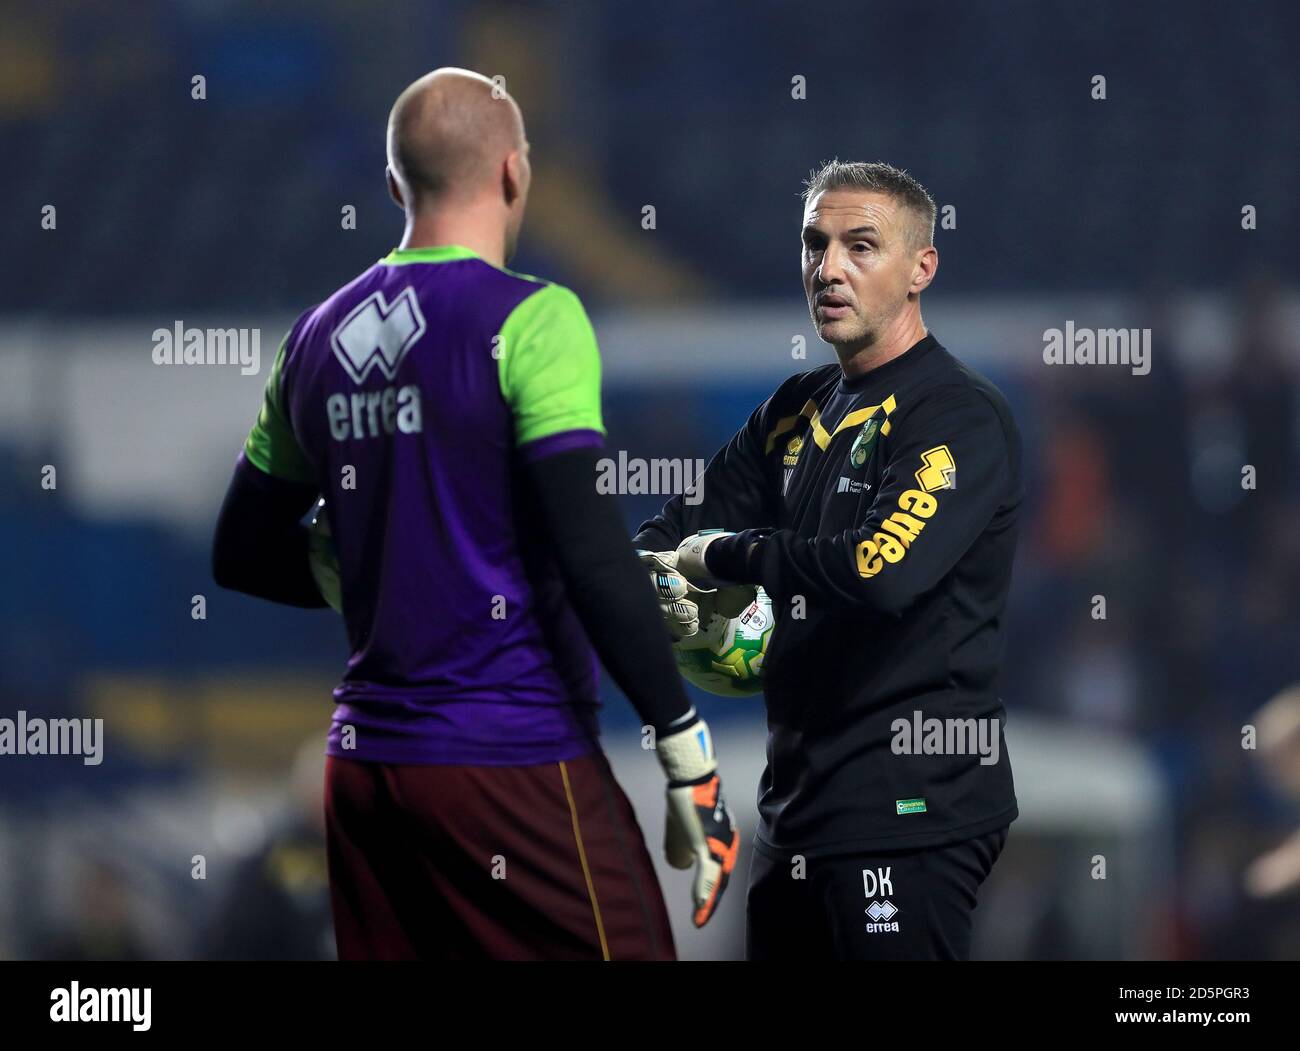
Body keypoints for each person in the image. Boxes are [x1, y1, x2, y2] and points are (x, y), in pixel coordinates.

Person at [211, 68, 738, 960]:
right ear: (514, 172)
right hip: (510, 758)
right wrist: (684, 748)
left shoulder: (314, 340)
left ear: (394, 186)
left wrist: (377, 565)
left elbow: (241, 552)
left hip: (366, 775)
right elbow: (590, 550)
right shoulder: (534, 319)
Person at [636, 160, 1021, 960]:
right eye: (815, 244)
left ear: (921, 268)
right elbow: (670, 531)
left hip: (909, 811)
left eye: (861, 245)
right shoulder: (792, 409)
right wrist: (647, 578)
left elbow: (881, 571)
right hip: (795, 815)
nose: (829, 267)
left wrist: (728, 556)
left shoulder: (957, 414)